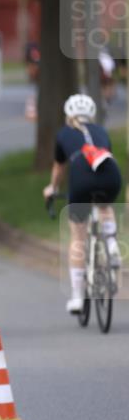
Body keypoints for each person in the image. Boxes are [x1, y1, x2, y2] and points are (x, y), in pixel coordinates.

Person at [43, 94, 122, 314]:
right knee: (105, 206)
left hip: (81, 174)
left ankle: (77, 297)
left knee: (78, 237)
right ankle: (112, 243)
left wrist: (52, 189)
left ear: (68, 115)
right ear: (92, 114)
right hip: (110, 172)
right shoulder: (102, 132)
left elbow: (59, 168)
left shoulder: (64, 133)